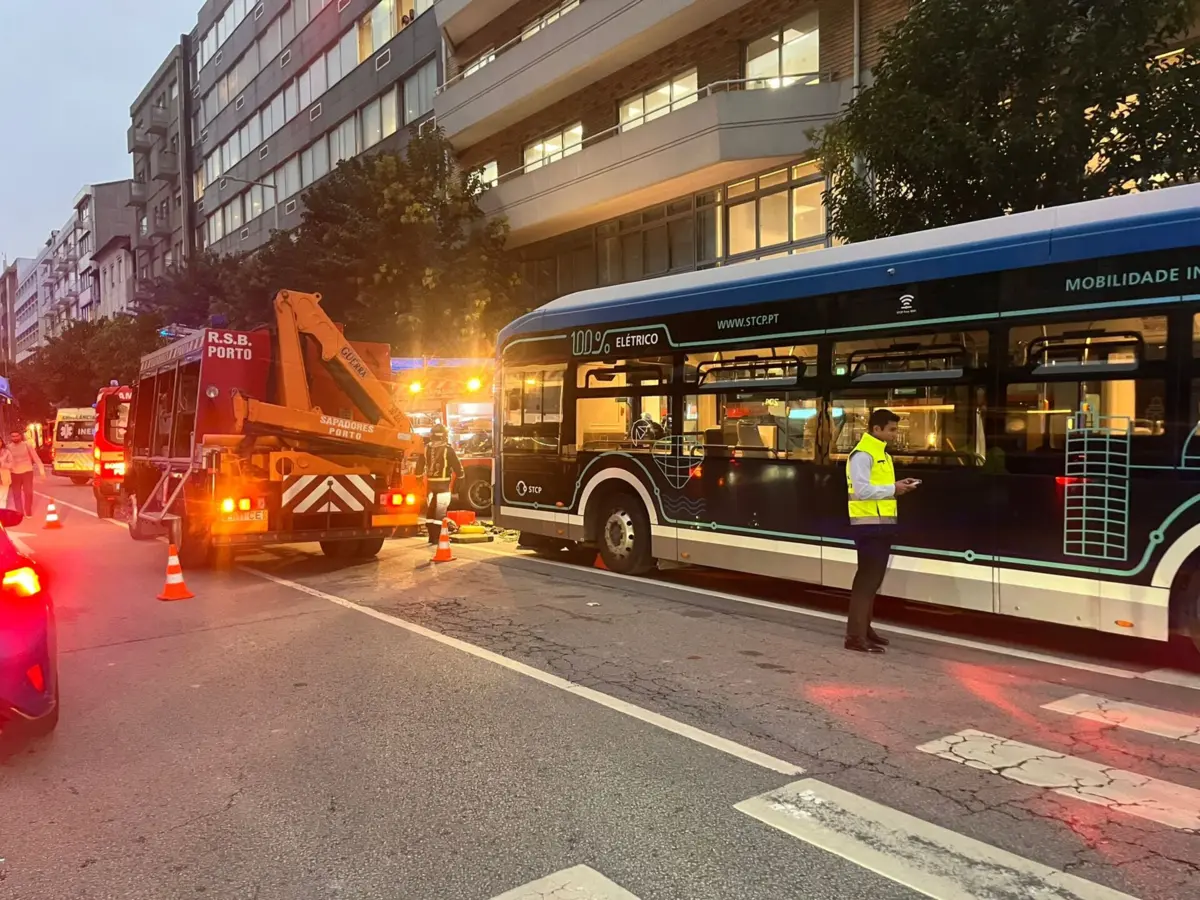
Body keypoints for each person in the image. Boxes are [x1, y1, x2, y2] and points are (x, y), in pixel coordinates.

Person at [844, 408, 919, 654]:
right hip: (869, 526)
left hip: (881, 525)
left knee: (873, 581)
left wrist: (896, 487)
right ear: (876, 429)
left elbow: (878, 487)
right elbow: (862, 491)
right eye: (892, 429)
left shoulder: (880, 454)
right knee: (866, 581)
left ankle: (864, 629)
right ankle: (855, 637)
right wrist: (894, 488)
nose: (895, 434)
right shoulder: (863, 455)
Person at [424, 423, 464, 543]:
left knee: (430, 511)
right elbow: (458, 468)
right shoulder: (448, 450)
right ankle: (437, 537)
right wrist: (460, 480)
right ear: (444, 436)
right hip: (443, 486)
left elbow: (419, 467)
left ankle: (431, 537)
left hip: (430, 486)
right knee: (440, 513)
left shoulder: (426, 448)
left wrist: (418, 479)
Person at [7, 428, 47, 516]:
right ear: (11, 438)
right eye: (13, 436)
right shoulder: (8, 447)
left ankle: (28, 510)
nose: (15, 438)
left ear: (20, 436)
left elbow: (36, 458)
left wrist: (42, 471)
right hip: (14, 473)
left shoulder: (26, 445)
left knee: (28, 492)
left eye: (17, 436)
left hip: (27, 472)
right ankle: (19, 512)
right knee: (16, 494)